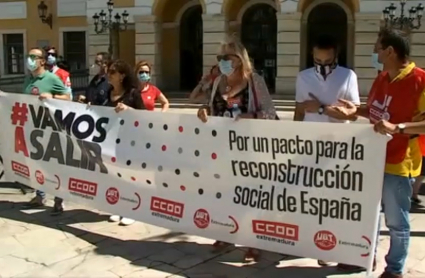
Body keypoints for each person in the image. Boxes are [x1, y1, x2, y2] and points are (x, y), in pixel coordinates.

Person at [335, 28, 425, 278]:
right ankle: (364, 258)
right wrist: (356, 111)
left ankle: (394, 270)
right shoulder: (382, 77)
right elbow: (376, 110)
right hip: (373, 159)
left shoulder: (420, 80)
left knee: (396, 222)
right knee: (367, 214)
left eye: (377, 48)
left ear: (390, 51)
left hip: (399, 161)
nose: (374, 52)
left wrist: (399, 128)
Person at [197, 35, 277, 262]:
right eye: (219, 57)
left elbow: (270, 114)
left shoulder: (255, 81)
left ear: (240, 59)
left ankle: (254, 242)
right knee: (224, 194)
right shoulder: (216, 83)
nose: (222, 61)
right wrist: (204, 110)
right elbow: (212, 108)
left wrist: (251, 116)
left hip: (250, 152)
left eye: (227, 57)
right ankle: (225, 232)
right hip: (222, 151)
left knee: (251, 197)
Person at [21, 47, 71, 215]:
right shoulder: (28, 80)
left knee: (54, 165)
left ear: (42, 61)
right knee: (36, 163)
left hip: (50, 128)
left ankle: (58, 199)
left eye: (33, 57)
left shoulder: (51, 78)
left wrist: (52, 97)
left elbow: (67, 97)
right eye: (28, 56)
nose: (30, 60)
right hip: (33, 128)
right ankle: (39, 195)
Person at [103, 59, 145, 225]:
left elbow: (144, 115)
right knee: (116, 174)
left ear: (122, 76)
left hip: (131, 140)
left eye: (112, 72)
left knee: (130, 176)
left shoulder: (133, 93)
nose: (109, 75)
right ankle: (119, 206)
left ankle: (132, 209)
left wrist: (129, 110)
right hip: (112, 140)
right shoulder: (107, 92)